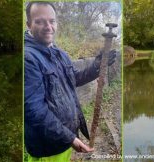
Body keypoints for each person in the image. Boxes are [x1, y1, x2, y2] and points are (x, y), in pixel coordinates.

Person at [24, 1, 116, 162]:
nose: (48, 26)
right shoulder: (28, 58)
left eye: (51, 21)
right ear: (29, 24)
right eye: (40, 21)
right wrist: (70, 138)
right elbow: (34, 111)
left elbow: (75, 78)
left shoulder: (58, 53)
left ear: (56, 23)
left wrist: (97, 65)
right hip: (48, 147)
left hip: (64, 140)